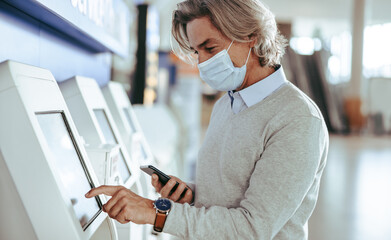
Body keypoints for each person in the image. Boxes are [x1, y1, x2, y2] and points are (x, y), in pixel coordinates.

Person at [85, 0, 329, 239]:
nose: (202, 62)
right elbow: (231, 191)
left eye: (210, 48)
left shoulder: (297, 119)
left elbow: (251, 229)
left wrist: (155, 212)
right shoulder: (227, 104)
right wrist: (192, 195)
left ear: (251, 36)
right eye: (196, 51)